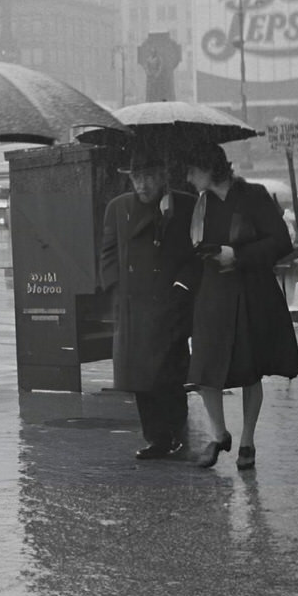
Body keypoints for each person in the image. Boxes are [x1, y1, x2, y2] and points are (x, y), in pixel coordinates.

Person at [183, 141, 298, 470]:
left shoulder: (254, 196)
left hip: (253, 292)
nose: (189, 177)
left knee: (251, 370)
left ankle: (247, 441)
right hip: (213, 295)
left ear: (209, 169)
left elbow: (281, 241)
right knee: (205, 369)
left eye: (193, 171)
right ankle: (219, 434)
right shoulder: (201, 204)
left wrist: (237, 255)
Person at [99, 147, 197, 461]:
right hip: (133, 306)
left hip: (170, 302)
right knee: (140, 376)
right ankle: (156, 438)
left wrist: (182, 286)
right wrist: (116, 288)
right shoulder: (118, 207)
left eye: (148, 178)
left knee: (169, 373)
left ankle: (177, 434)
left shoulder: (183, 205)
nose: (141, 185)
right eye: (136, 178)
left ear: (161, 177)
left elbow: (197, 253)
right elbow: (108, 252)